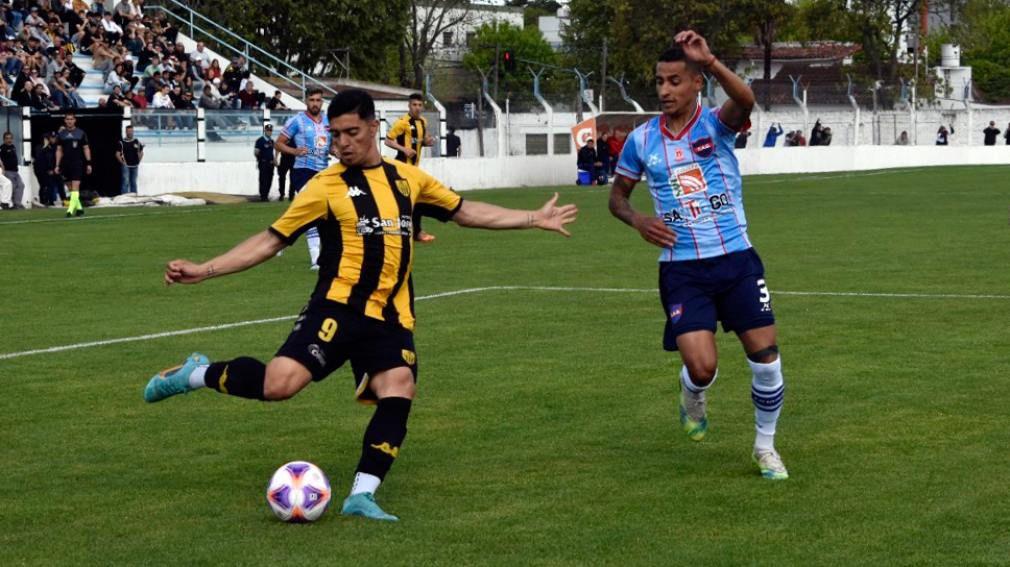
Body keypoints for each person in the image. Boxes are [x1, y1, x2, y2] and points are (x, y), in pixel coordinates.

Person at [142, 88, 579, 522]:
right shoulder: (324, 187)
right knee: (279, 385)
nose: (343, 143)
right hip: (336, 309)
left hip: (390, 316)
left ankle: (361, 495)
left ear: (374, 127)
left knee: (399, 386)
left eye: (352, 132)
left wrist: (532, 218)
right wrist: (205, 269)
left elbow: (465, 211)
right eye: (336, 135)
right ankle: (194, 373)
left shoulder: (409, 180)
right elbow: (271, 240)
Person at [609, 32, 788, 480]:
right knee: (702, 366)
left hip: (737, 260)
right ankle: (693, 392)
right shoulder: (641, 140)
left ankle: (765, 448)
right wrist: (637, 220)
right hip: (682, 269)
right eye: (660, 82)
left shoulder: (715, 125)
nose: (665, 90)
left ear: (695, 85)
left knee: (766, 359)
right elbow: (617, 197)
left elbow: (745, 100)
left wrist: (710, 60)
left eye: (675, 81)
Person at [276, 87, 332, 269]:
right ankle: (316, 258)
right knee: (312, 212)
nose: (315, 103)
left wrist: (339, 152)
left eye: (318, 100)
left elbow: (329, 146)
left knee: (309, 212)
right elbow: (278, 143)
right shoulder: (297, 121)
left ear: (322, 102)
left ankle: (279, 236)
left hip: (323, 172)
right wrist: (294, 151)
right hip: (303, 171)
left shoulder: (328, 121)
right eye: (312, 100)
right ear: (306, 101)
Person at [385, 93, 436, 243]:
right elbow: (388, 141)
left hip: (414, 169)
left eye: (420, 105)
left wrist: (427, 142)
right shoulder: (402, 122)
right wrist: (404, 149)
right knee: (410, 201)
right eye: (414, 105)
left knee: (414, 201)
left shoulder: (423, 122)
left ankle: (412, 232)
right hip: (401, 168)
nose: (417, 108)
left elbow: (421, 141)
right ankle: (413, 232)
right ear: (409, 105)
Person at [55, 111, 92, 218]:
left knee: (75, 187)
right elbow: (59, 150)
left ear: (75, 120)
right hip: (65, 164)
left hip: (77, 163)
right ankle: (79, 209)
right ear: (65, 120)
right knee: (71, 188)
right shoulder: (61, 134)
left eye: (71, 119)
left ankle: (70, 211)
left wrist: (89, 163)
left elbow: (86, 148)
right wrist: (57, 165)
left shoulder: (81, 133)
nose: (70, 121)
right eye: (68, 119)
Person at [34, 131, 62, 207]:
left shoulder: (52, 147)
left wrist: (51, 168)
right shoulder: (39, 147)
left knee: (50, 185)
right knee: (44, 185)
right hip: (40, 170)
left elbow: (51, 159)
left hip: (49, 169)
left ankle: (50, 200)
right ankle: (43, 201)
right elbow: (39, 157)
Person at [0, 131, 25, 209]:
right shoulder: (2, 148)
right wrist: (2, 168)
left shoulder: (13, 147)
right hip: (8, 171)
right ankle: (13, 204)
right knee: (12, 186)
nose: (9, 140)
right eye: (7, 138)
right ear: (4, 139)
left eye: (10, 138)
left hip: (15, 171)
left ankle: (17, 203)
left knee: (21, 185)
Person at [116, 125, 144, 194]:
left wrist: (138, 161)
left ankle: (134, 196)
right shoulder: (121, 142)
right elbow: (117, 154)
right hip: (126, 166)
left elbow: (141, 152)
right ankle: (124, 196)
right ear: (126, 132)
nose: (130, 133)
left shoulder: (137, 141)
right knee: (125, 181)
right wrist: (123, 163)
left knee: (133, 182)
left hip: (135, 166)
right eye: (128, 131)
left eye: (131, 131)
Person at [254, 123, 276, 202]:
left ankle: (266, 195)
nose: (269, 132)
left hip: (270, 163)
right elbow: (256, 152)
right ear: (265, 131)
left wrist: (274, 160)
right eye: (268, 130)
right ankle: (263, 196)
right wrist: (260, 159)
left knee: (269, 179)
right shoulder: (260, 140)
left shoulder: (271, 141)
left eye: (270, 131)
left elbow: (271, 152)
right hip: (263, 163)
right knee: (263, 179)